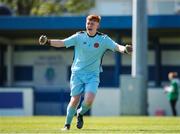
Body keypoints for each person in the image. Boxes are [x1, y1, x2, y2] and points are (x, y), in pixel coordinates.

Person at [39, 14, 132, 130]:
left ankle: (80, 113)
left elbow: (117, 47)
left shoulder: (103, 39)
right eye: (88, 23)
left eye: (92, 23)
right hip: (77, 74)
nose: (90, 25)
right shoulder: (79, 36)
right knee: (74, 100)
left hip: (93, 75)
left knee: (89, 100)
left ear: (97, 25)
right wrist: (47, 41)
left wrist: (126, 49)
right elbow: (62, 42)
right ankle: (67, 125)